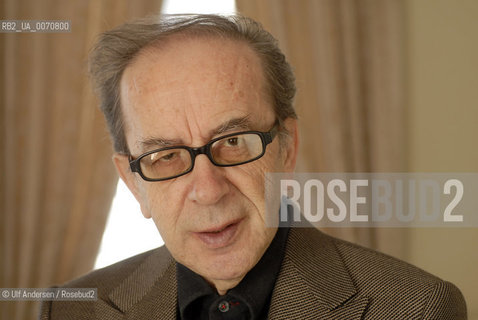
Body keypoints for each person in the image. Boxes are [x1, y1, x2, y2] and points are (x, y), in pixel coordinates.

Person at [40, 14, 467, 319]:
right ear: (134, 183)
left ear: (287, 149)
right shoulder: (74, 308)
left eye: (233, 142)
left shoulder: (418, 307)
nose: (207, 190)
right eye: (165, 155)